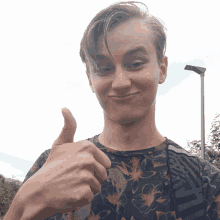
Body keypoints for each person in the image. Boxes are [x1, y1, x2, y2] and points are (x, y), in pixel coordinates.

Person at [3, 1, 220, 220]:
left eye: (135, 63)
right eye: (104, 68)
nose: (120, 82)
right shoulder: (52, 168)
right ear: (90, 78)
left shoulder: (205, 183)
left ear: (162, 69)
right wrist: (24, 204)